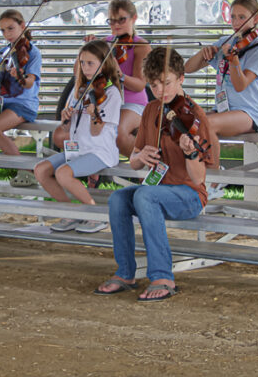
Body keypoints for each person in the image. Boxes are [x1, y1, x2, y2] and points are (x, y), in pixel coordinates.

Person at [94, 48, 219, 302]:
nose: (161, 90)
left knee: (145, 196)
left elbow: (199, 180)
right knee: (118, 199)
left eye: (167, 82)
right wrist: (140, 158)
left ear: (181, 78)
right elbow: (134, 162)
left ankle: (163, 276)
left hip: (189, 195)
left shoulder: (195, 116)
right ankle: (126, 272)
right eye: (154, 85)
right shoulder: (151, 110)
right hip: (156, 191)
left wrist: (191, 154)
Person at [34, 41, 123, 234]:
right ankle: (72, 212)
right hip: (78, 148)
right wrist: (66, 119)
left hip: (99, 151)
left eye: (90, 63)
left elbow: (97, 131)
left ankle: (95, 215)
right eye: (82, 63)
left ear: (103, 64)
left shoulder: (111, 93)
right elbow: (68, 129)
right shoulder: (79, 90)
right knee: (41, 170)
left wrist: (93, 114)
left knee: (63, 173)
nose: (85, 68)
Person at [56, 0, 150, 157]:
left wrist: (119, 74)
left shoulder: (141, 46)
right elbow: (77, 73)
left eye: (121, 20)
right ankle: (92, 165)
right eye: (112, 21)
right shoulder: (105, 42)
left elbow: (140, 85)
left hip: (131, 102)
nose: (116, 25)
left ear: (134, 18)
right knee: (61, 135)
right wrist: (85, 50)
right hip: (102, 100)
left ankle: (141, 168)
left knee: (119, 133)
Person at [184, 0, 258, 137]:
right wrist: (203, 53)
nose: (236, 22)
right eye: (233, 17)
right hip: (222, 110)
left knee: (207, 124)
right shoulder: (226, 42)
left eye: (242, 17)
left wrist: (233, 61)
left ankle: (209, 159)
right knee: (187, 123)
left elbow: (240, 85)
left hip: (248, 113)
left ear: (255, 19)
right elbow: (188, 68)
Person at [0, 9, 42, 186]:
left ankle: (27, 172)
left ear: (22, 26)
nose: (7, 34)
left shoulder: (33, 53)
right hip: (3, 103)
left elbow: (30, 83)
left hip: (23, 104)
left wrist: (20, 76)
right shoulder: (3, 52)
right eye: (3, 30)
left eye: (11, 28)